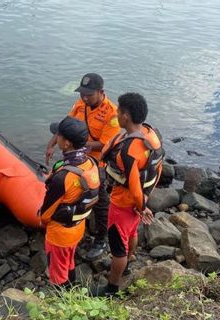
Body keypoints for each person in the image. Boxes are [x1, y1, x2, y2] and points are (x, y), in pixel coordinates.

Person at [46, 73, 120, 261]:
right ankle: (78, 228)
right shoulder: (80, 105)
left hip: (97, 164)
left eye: (89, 95)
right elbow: (66, 125)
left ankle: (101, 239)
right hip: (76, 158)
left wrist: (78, 145)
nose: (85, 98)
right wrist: (52, 143)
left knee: (100, 202)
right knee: (74, 196)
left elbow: (105, 143)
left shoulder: (112, 114)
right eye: (82, 94)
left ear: (101, 92)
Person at [97, 92, 164, 296]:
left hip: (123, 203)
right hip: (138, 201)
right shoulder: (151, 135)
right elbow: (158, 168)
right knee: (132, 232)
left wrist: (141, 205)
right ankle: (130, 258)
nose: (116, 113)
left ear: (125, 116)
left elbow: (133, 185)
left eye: (118, 110)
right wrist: (145, 199)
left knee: (117, 245)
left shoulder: (129, 151)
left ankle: (112, 287)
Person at [40, 116, 100, 287]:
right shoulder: (91, 163)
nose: (55, 138)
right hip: (78, 227)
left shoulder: (63, 177)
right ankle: (73, 289)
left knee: (58, 274)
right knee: (69, 262)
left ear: (66, 144)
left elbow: (45, 216)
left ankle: (64, 304)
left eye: (58, 135)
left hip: (59, 235)